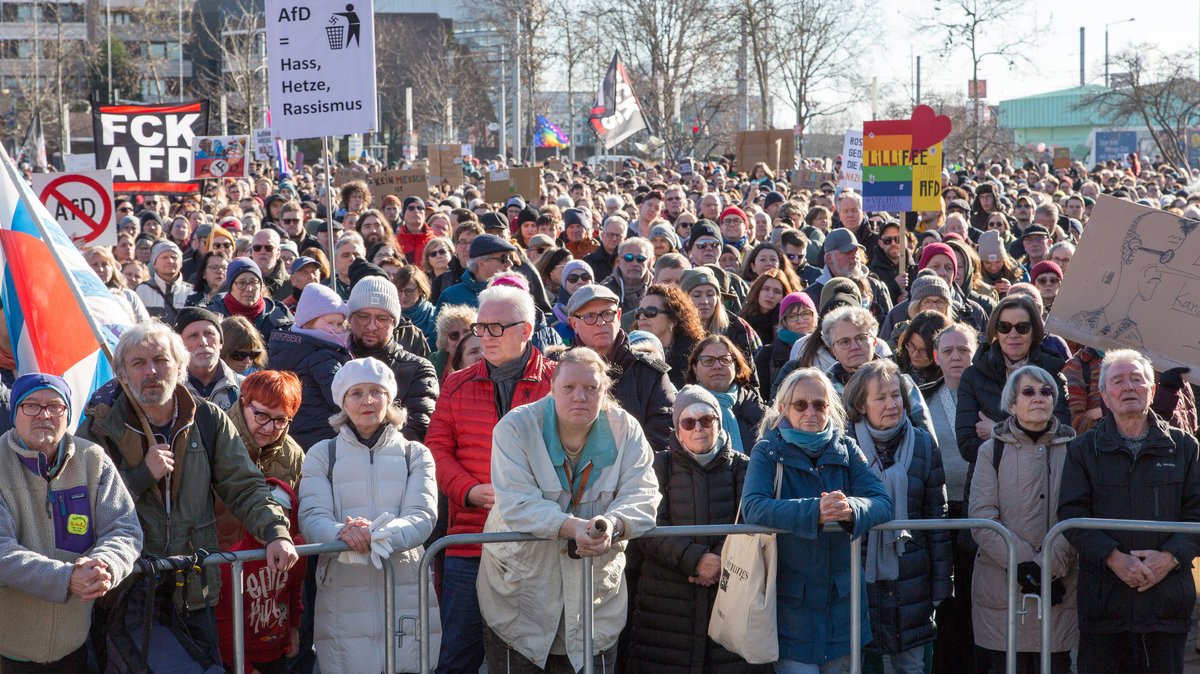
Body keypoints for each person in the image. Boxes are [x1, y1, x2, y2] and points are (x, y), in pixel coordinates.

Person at [78, 322, 297, 667]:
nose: (151, 371)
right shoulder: (100, 427)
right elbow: (86, 508)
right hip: (130, 593)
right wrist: (139, 477)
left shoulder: (208, 419)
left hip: (197, 590)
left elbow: (245, 485)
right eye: (138, 363)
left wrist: (275, 532)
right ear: (121, 373)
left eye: (161, 360)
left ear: (180, 366)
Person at [477, 346, 660, 673]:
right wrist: (573, 527)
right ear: (551, 387)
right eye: (569, 387)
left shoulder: (626, 429)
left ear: (605, 390)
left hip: (594, 606)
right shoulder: (515, 427)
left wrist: (613, 524)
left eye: (592, 388)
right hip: (520, 601)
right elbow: (517, 504)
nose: (580, 396)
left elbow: (644, 495)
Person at [426, 284, 557, 674]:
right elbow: (436, 449)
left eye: (496, 328)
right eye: (480, 327)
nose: (484, 337)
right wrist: (467, 490)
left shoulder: (558, 383)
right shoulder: (457, 383)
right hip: (470, 541)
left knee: (531, 658)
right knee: (457, 657)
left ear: (526, 330)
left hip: (534, 543)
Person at [1056, 349, 1200, 673]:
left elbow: (1198, 513)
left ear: (1152, 390)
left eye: (1137, 379)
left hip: (1166, 605)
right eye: (1117, 381)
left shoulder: (1185, 448)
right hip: (1105, 607)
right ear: (1104, 396)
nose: (1128, 387)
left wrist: (1169, 559)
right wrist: (1114, 558)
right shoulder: (1082, 450)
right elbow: (1071, 515)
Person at [741, 367, 893, 672]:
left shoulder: (847, 449)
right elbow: (753, 507)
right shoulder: (767, 451)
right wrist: (816, 511)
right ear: (783, 409)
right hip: (791, 605)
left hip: (843, 604)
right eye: (801, 405)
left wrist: (851, 508)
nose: (810, 411)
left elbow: (882, 502)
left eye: (820, 404)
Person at [299, 357, 441, 673]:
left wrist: (372, 535)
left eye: (376, 391)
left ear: (389, 398)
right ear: (343, 403)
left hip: (404, 588)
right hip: (343, 593)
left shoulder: (415, 454)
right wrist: (342, 533)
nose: (368, 400)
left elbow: (422, 515)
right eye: (357, 393)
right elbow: (312, 517)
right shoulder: (323, 454)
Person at [0, 373, 142, 671]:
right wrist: (66, 578)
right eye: (32, 405)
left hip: (75, 648)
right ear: (14, 412)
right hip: (7, 651)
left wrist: (106, 565)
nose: (45, 414)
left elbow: (124, 528)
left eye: (55, 406)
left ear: (68, 414)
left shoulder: (93, 459)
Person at [628, 385, 765, 674]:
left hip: (728, 595)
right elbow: (648, 525)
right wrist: (695, 560)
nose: (698, 428)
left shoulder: (744, 467)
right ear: (677, 430)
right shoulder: (657, 466)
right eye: (688, 422)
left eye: (707, 420)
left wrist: (717, 562)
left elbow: (750, 527)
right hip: (667, 603)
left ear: (719, 422)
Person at [843, 360, 950, 674]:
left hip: (912, 578)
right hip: (859, 576)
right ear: (861, 405)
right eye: (880, 398)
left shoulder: (923, 444)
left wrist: (941, 584)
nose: (892, 404)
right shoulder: (843, 448)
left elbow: (937, 517)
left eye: (896, 395)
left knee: (912, 665)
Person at [969, 365, 1077, 674]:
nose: (1038, 398)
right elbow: (982, 517)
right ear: (1012, 403)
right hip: (1001, 590)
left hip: (1059, 587)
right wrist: (1024, 563)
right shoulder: (991, 451)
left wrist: (1046, 569)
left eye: (1046, 392)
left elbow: (1078, 514)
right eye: (1028, 392)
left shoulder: (1075, 450)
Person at [956, 294, 1071, 481]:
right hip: (989, 482)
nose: (1013, 335)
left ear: (1034, 332)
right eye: (1004, 327)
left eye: (1022, 328)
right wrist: (1032, 432)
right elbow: (968, 446)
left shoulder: (1053, 375)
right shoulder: (973, 376)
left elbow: (1060, 439)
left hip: (1042, 483)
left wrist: (998, 430)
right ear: (995, 331)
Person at [567, 284, 677, 452]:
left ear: (618, 315)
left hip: (636, 471)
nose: (601, 322)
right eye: (590, 316)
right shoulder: (557, 370)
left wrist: (626, 469)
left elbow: (664, 433)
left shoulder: (649, 372)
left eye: (607, 314)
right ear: (573, 323)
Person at [216, 477, 306, 674]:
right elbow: (224, 623)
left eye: (278, 514)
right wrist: (245, 668)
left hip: (279, 653)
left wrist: (294, 628)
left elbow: (294, 592)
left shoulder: (297, 552)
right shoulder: (233, 562)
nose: (267, 523)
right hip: (243, 657)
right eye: (262, 515)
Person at [215, 369, 305, 548]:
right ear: (243, 402)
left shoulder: (294, 455)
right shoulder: (214, 438)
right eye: (262, 415)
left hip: (267, 570)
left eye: (281, 420)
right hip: (215, 560)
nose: (270, 428)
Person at [347, 276, 439, 443]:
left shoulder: (418, 369)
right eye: (363, 316)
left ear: (395, 322)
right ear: (350, 319)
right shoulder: (334, 363)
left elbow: (418, 430)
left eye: (382, 319)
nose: (372, 326)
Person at [267, 283, 353, 451]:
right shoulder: (322, 356)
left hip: (291, 433)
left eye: (340, 324)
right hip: (322, 435)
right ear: (308, 323)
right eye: (330, 323)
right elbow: (340, 398)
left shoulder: (286, 346)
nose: (337, 329)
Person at [684, 334, 766, 454]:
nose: (717, 366)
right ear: (695, 368)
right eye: (708, 361)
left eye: (725, 360)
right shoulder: (683, 411)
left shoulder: (759, 411)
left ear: (736, 366)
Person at [681, 267, 760, 363]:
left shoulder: (738, 328)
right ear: (684, 299)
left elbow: (751, 372)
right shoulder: (673, 331)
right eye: (697, 295)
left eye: (710, 295)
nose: (705, 301)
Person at [636, 284, 706, 389]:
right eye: (639, 312)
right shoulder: (629, 352)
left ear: (673, 320)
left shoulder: (695, 356)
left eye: (651, 312)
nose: (642, 317)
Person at [208, 258, 295, 341]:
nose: (249, 288)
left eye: (254, 282)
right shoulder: (211, 315)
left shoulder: (281, 315)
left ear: (261, 286)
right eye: (242, 283)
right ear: (230, 287)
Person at [175, 307, 243, 412]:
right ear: (179, 345)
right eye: (193, 336)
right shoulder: (170, 391)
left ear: (221, 342)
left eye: (209, 334)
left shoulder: (245, 388)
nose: (203, 342)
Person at [437, 233, 519, 309]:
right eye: (504, 258)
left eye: (510, 257)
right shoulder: (451, 296)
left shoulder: (514, 292)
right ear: (482, 264)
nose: (510, 263)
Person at [135, 240, 193, 324]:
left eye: (174, 257)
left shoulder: (192, 291)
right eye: (165, 257)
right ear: (154, 263)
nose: (170, 261)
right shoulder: (142, 290)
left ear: (180, 263)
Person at [740, 268, 794, 346]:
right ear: (757, 291)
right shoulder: (742, 319)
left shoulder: (788, 322)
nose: (770, 295)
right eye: (766, 289)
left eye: (777, 292)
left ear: (783, 296)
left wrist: (777, 321)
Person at [396, 266, 438, 353]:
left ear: (421, 290)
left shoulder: (435, 315)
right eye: (399, 290)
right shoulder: (389, 317)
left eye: (409, 291)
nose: (403, 296)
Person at [429, 305, 477, 382]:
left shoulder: (483, 360)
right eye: (454, 335)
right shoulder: (433, 364)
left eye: (467, 332)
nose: (462, 338)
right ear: (445, 344)